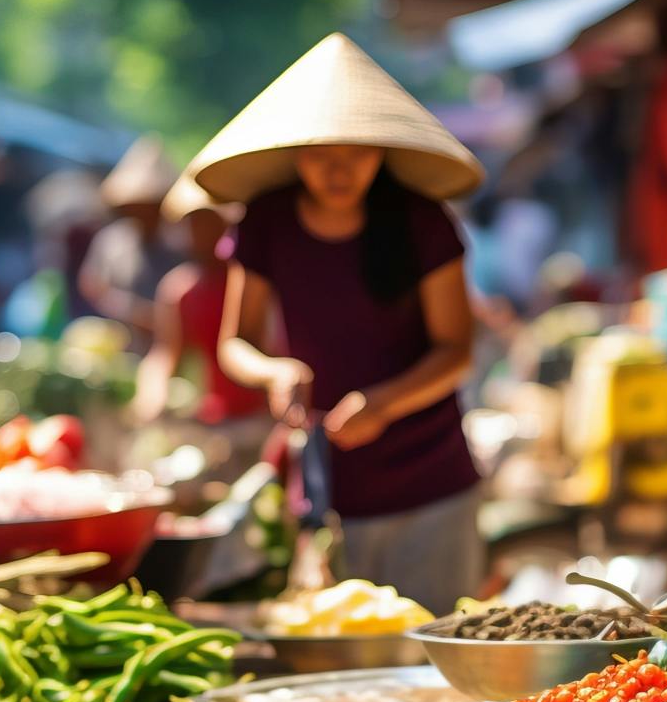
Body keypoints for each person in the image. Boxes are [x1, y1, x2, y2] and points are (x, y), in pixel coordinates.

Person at [190, 34, 486, 611]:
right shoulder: (267, 221)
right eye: (321, 150)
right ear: (294, 151)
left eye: (358, 150)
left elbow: (457, 350)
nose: (339, 167)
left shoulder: (420, 220)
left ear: (382, 149)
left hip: (431, 482)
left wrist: (386, 404)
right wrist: (274, 373)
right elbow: (237, 343)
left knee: (436, 665)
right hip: (327, 486)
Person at [131, 175, 264, 427]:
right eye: (196, 224)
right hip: (215, 417)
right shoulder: (180, 291)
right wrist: (152, 393)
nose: (204, 233)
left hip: (261, 417)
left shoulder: (253, 279)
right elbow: (165, 351)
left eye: (212, 223)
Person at [78, 134, 184, 339]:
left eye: (149, 206)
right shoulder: (111, 240)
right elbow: (91, 284)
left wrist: (157, 317)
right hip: (115, 342)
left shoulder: (180, 246)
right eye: (136, 207)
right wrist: (126, 307)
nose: (142, 213)